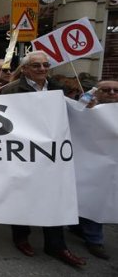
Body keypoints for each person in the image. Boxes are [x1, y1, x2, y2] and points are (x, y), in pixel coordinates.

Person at [1, 50, 86, 267]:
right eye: (37, 65)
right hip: (22, 152)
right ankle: (21, 237)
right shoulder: (11, 90)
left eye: (46, 65)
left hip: (52, 154)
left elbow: (70, 114)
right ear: (26, 68)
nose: (42, 69)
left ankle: (56, 245)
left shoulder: (58, 88)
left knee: (54, 197)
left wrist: (87, 106)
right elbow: (1, 122)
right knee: (22, 195)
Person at [70, 79, 118, 260]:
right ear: (96, 92)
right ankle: (94, 240)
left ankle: (79, 228)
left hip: (112, 167)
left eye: (115, 90)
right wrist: (83, 105)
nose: (112, 93)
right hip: (90, 165)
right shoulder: (85, 108)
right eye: (106, 90)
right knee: (93, 199)